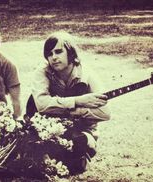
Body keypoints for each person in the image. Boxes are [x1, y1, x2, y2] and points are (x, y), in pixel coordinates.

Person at [28, 31, 110, 174]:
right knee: (35, 156)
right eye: (49, 53)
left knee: (78, 151)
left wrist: (75, 112)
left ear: (70, 52)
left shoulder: (86, 74)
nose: (53, 57)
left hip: (81, 130)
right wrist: (78, 101)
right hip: (49, 127)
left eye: (58, 52)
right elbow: (41, 104)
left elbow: (105, 113)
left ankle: (83, 149)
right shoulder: (42, 72)